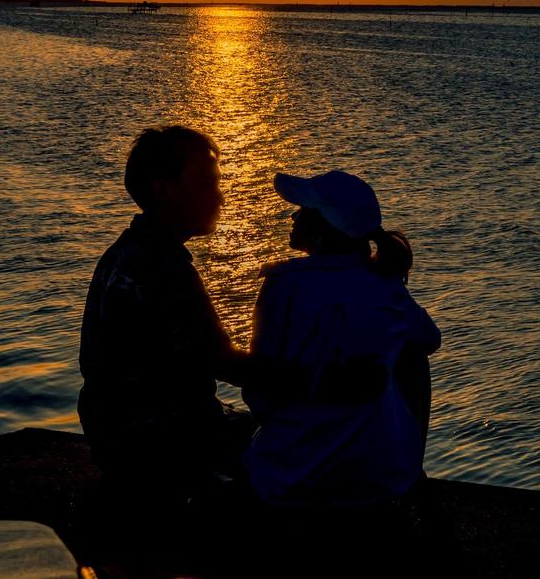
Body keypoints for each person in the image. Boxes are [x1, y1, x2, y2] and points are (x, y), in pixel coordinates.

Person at [77, 128, 385, 506]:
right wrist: (329, 382)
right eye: (206, 185)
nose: (220, 197)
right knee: (301, 439)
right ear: (163, 190)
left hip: (114, 427)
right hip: (154, 436)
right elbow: (224, 362)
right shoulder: (160, 268)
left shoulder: (127, 253)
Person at [243, 170, 441, 505]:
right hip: (380, 476)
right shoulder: (385, 286)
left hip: (289, 476)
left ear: (321, 231)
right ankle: (407, 463)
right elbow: (430, 338)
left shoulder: (283, 285)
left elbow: (259, 391)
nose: (293, 216)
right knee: (412, 353)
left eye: (303, 211)